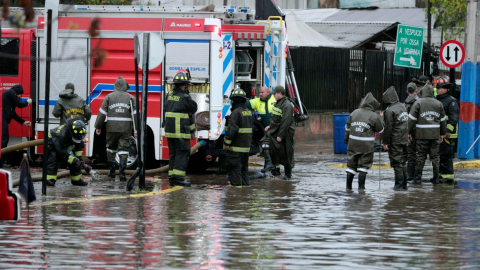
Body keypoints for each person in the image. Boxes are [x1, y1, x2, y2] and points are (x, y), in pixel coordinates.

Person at [94, 76, 136, 182]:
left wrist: (98, 127)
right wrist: (136, 130)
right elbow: (135, 115)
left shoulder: (109, 97)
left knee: (111, 149)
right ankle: (122, 174)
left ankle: (112, 171)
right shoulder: (130, 98)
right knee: (124, 150)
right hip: (125, 129)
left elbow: (102, 113)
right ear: (125, 86)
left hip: (111, 128)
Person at [164, 71, 197, 187]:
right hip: (180, 131)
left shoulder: (169, 95)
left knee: (173, 154)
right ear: (184, 85)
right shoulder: (184, 97)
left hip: (169, 132)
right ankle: (178, 178)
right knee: (182, 154)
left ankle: (172, 177)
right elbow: (194, 108)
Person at [408, 84, 446, 185]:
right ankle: (436, 178)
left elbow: (411, 120)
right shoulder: (439, 104)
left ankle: (417, 179)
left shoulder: (418, 103)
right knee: (435, 156)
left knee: (420, 156)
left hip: (421, 135)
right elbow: (443, 120)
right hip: (435, 135)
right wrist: (442, 133)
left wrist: (408, 132)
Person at [344, 92, 384, 190]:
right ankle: (361, 189)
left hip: (353, 144)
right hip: (366, 146)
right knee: (363, 166)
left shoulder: (354, 113)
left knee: (351, 166)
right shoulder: (374, 116)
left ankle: (348, 188)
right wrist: (381, 117)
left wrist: (346, 141)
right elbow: (381, 129)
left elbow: (347, 129)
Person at [245, 86, 280, 175]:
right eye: (259, 92)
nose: (260, 94)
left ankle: (276, 170)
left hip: (276, 129)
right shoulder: (256, 101)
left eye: (262, 92)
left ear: (268, 93)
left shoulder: (274, 99)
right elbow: (245, 104)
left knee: (275, 150)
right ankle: (269, 168)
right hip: (265, 129)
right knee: (266, 147)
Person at [263, 86, 295, 180]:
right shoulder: (278, 103)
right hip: (276, 131)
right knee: (271, 148)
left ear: (280, 93)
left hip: (286, 134)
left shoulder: (287, 105)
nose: (273, 96)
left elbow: (285, 122)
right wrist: (270, 126)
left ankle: (288, 176)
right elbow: (276, 118)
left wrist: (280, 135)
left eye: (275, 94)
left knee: (286, 152)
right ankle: (274, 170)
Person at [46, 118, 89, 186]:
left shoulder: (78, 134)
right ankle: (50, 179)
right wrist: (74, 160)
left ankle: (76, 180)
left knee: (76, 160)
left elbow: (78, 151)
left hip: (64, 144)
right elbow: (61, 152)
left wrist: (80, 161)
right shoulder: (62, 135)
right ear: (71, 133)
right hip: (53, 143)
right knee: (53, 157)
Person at [224, 89, 254, 187]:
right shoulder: (249, 112)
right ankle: (245, 191)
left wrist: (226, 143)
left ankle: (236, 196)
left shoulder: (236, 112)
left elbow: (232, 130)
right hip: (246, 147)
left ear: (234, 100)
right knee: (244, 169)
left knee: (234, 169)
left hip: (236, 148)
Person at [382, 86, 408, 190]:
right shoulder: (403, 106)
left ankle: (398, 186)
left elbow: (388, 128)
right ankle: (404, 185)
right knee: (403, 162)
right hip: (404, 139)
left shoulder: (389, 111)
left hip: (395, 140)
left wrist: (385, 142)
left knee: (397, 163)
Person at [435, 78, 459, 184]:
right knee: (440, 155)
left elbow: (454, 117)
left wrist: (448, 131)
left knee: (447, 156)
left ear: (445, 89)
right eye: (438, 88)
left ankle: (448, 178)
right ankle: (440, 175)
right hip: (439, 133)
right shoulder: (437, 100)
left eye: (440, 88)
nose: (438, 90)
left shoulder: (451, 101)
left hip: (449, 135)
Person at [1, 85, 32, 167]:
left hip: (3, 120)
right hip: (2, 120)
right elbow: (19, 104)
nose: (20, 97)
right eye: (20, 95)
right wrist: (27, 102)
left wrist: (23, 122)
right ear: (17, 92)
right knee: (4, 140)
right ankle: (1, 162)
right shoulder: (11, 92)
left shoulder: (10, 97)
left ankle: (2, 161)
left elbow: (13, 114)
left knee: (4, 139)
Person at [404, 82, 419, 181]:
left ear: (406, 91)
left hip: (409, 132)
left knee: (411, 154)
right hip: (419, 131)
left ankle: (410, 175)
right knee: (419, 154)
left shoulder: (404, 104)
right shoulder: (419, 102)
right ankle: (418, 176)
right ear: (416, 91)